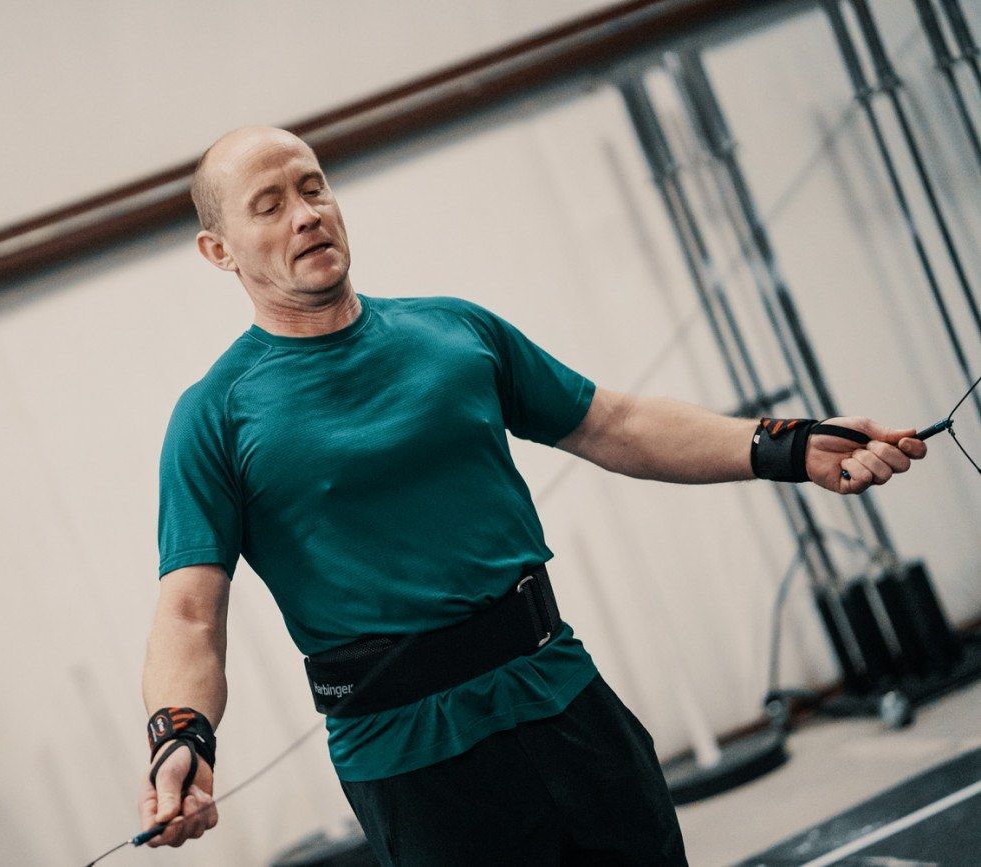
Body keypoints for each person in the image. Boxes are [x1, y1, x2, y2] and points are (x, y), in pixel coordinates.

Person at [135, 126, 927, 864]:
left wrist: (782, 445)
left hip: (562, 698)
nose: (306, 215)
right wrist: (181, 735)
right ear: (219, 249)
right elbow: (189, 611)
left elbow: (617, 422)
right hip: (411, 762)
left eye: (314, 188)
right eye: (269, 206)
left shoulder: (453, 332)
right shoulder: (214, 415)